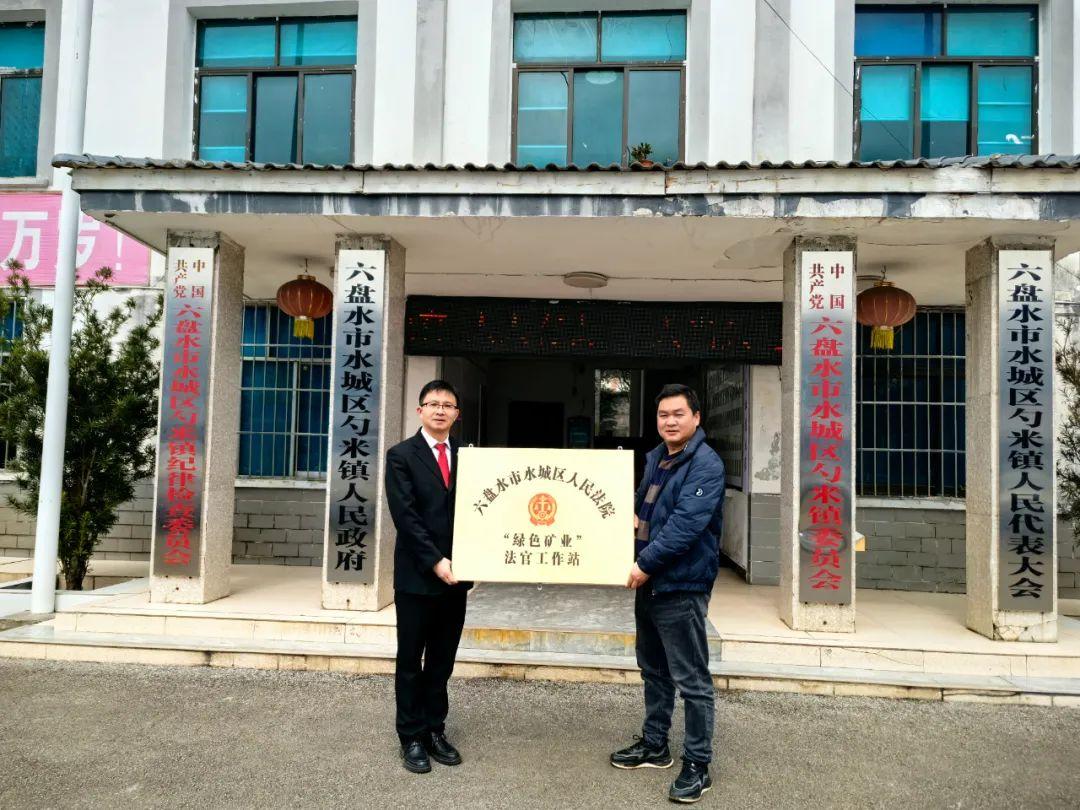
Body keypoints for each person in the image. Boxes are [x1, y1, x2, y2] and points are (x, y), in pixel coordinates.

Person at [611, 383, 725, 804]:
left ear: (696, 418)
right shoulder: (657, 459)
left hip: (680, 585)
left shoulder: (705, 464)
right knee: (654, 669)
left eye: (678, 414)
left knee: (691, 678)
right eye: (663, 415)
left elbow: (685, 526)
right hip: (651, 584)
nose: (670, 421)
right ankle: (655, 744)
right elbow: (643, 511)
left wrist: (643, 564)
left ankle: (698, 764)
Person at [385, 379, 471, 774]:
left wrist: (481, 559)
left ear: (457, 413)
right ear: (419, 410)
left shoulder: (471, 458)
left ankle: (435, 729)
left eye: (447, 405)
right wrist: (436, 561)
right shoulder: (401, 456)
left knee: (442, 660)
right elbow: (406, 517)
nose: (440, 410)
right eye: (433, 404)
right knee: (410, 659)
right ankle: (411, 737)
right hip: (417, 577)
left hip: (458, 578)